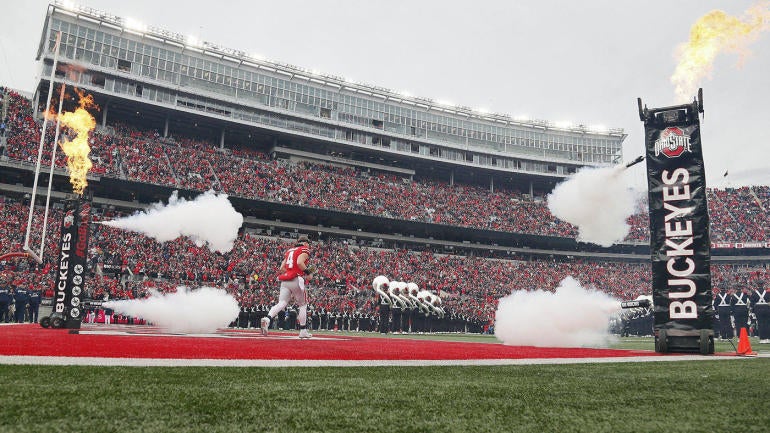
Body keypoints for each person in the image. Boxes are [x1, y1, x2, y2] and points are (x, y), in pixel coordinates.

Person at [260, 235, 313, 339]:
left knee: (282, 303)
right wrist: (307, 272)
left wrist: (291, 272)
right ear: (305, 243)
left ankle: (267, 318)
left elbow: (281, 268)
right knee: (303, 305)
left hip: (285, 280)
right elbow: (299, 262)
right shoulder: (304, 249)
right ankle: (303, 330)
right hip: (296, 279)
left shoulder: (289, 251)